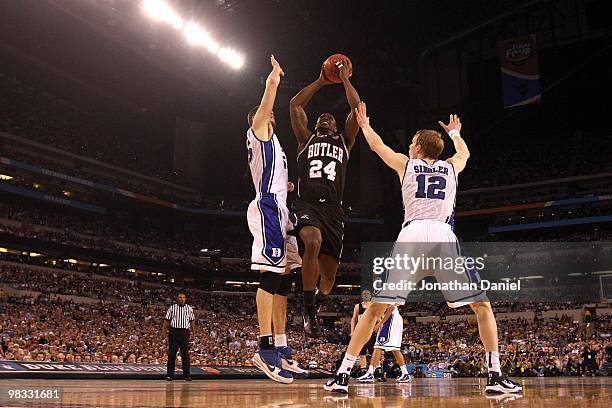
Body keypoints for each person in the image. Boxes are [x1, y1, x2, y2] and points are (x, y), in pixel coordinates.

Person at [324, 103, 522, 395]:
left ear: (417, 147)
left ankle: (342, 375)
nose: (408, 145)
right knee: (482, 305)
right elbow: (465, 153)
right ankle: (494, 375)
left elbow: (378, 147)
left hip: (413, 233)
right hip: (442, 235)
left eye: (411, 143)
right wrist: (455, 133)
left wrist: (365, 125)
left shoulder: (406, 163)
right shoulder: (451, 167)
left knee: (374, 308)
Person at [289, 58, 361, 337]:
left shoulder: (345, 141)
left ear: (336, 125)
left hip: (333, 211)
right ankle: (308, 311)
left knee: (329, 279)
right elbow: (295, 105)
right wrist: (321, 80)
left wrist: (344, 79)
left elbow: (357, 109)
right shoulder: (304, 139)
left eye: (330, 118)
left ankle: (317, 300)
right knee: (312, 241)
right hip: (306, 204)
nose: (326, 118)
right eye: (322, 117)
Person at [246, 55, 305, 384]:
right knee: (270, 277)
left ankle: (282, 348)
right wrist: (273, 82)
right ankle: (264, 348)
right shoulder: (258, 131)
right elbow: (265, 108)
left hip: (281, 207)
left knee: (284, 279)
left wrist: (287, 186)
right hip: (268, 208)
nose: (269, 115)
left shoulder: (274, 142)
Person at [357, 305, 412, 383]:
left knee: (378, 346)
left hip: (390, 319)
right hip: (392, 319)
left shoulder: (384, 293)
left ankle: (370, 373)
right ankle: (405, 373)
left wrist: (381, 323)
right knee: (394, 349)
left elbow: (391, 307)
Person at [163, 292, 196, 381]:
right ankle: (170, 375)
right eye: (180, 297)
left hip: (185, 332)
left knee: (185, 354)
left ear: (185, 299)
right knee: (172, 354)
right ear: (177, 298)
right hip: (174, 331)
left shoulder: (189, 308)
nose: (181, 298)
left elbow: (192, 321)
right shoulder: (172, 308)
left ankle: (187, 375)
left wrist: (194, 333)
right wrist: (164, 332)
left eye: (183, 297)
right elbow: (166, 320)